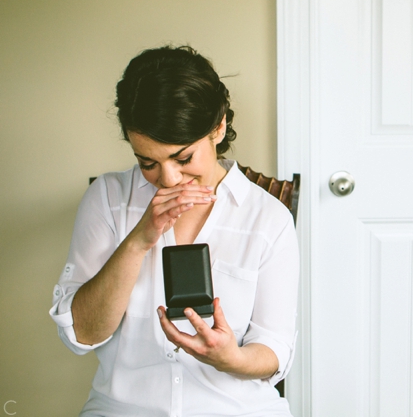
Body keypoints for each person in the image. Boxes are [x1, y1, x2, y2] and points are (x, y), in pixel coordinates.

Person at [49, 46, 299, 416]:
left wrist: (232, 358)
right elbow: (81, 335)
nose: (167, 179)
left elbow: (275, 349)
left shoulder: (268, 218)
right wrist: (138, 241)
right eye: (147, 162)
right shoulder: (108, 198)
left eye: (183, 159)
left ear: (219, 127)